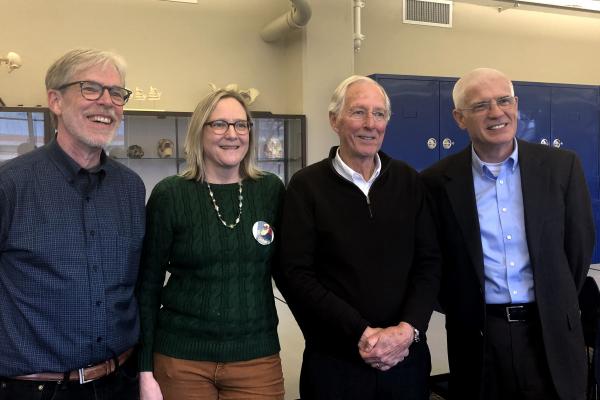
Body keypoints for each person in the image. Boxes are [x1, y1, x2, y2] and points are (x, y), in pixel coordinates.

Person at [421, 67, 595, 400]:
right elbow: (434, 263)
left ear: (516, 104)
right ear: (459, 118)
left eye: (504, 101)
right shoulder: (435, 182)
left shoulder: (562, 167)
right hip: (480, 336)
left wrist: (553, 298)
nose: (496, 113)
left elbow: (578, 249)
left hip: (551, 332)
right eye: (481, 105)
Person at [275, 75, 441, 400]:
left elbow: (430, 263)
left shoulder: (409, 182)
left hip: (406, 359)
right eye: (358, 112)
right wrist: (361, 333)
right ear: (334, 120)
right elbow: (295, 274)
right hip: (336, 363)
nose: (370, 124)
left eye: (379, 114)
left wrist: (407, 330)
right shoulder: (306, 186)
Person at [0, 49, 145, 399]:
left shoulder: (131, 188)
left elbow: (137, 286)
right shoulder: (10, 186)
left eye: (116, 93)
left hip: (119, 382)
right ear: (56, 100)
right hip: (34, 389)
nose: (107, 102)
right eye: (91, 88)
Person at [137, 89, 285, 400]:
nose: (232, 134)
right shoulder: (170, 195)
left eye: (241, 125)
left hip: (255, 358)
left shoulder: (270, 190)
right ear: (199, 131)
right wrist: (144, 371)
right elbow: (147, 286)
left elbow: (293, 271)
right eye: (219, 124)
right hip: (182, 360)